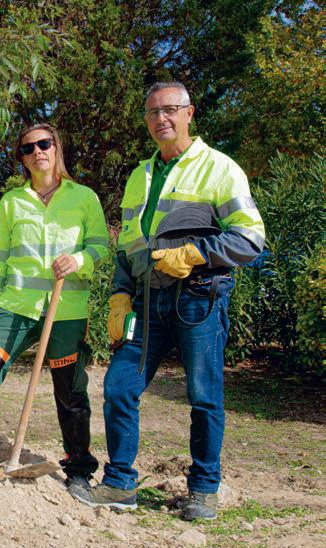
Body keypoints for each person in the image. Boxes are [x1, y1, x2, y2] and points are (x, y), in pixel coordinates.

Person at [70, 82, 266, 520]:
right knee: (119, 387)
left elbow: (251, 238)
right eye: (153, 112)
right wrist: (120, 294)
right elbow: (128, 246)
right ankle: (120, 483)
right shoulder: (139, 176)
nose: (161, 118)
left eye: (170, 109)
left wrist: (196, 254)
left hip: (199, 299)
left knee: (204, 396)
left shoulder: (218, 168)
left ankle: (204, 489)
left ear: (189, 113)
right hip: (146, 301)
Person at [0, 123, 110, 494]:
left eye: (44, 144)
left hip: (65, 310)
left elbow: (101, 247)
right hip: (15, 307)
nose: (37, 151)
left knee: (71, 392)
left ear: (57, 148)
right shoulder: (12, 202)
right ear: (22, 159)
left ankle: (79, 469)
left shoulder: (84, 197)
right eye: (28, 148)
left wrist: (79, 260)